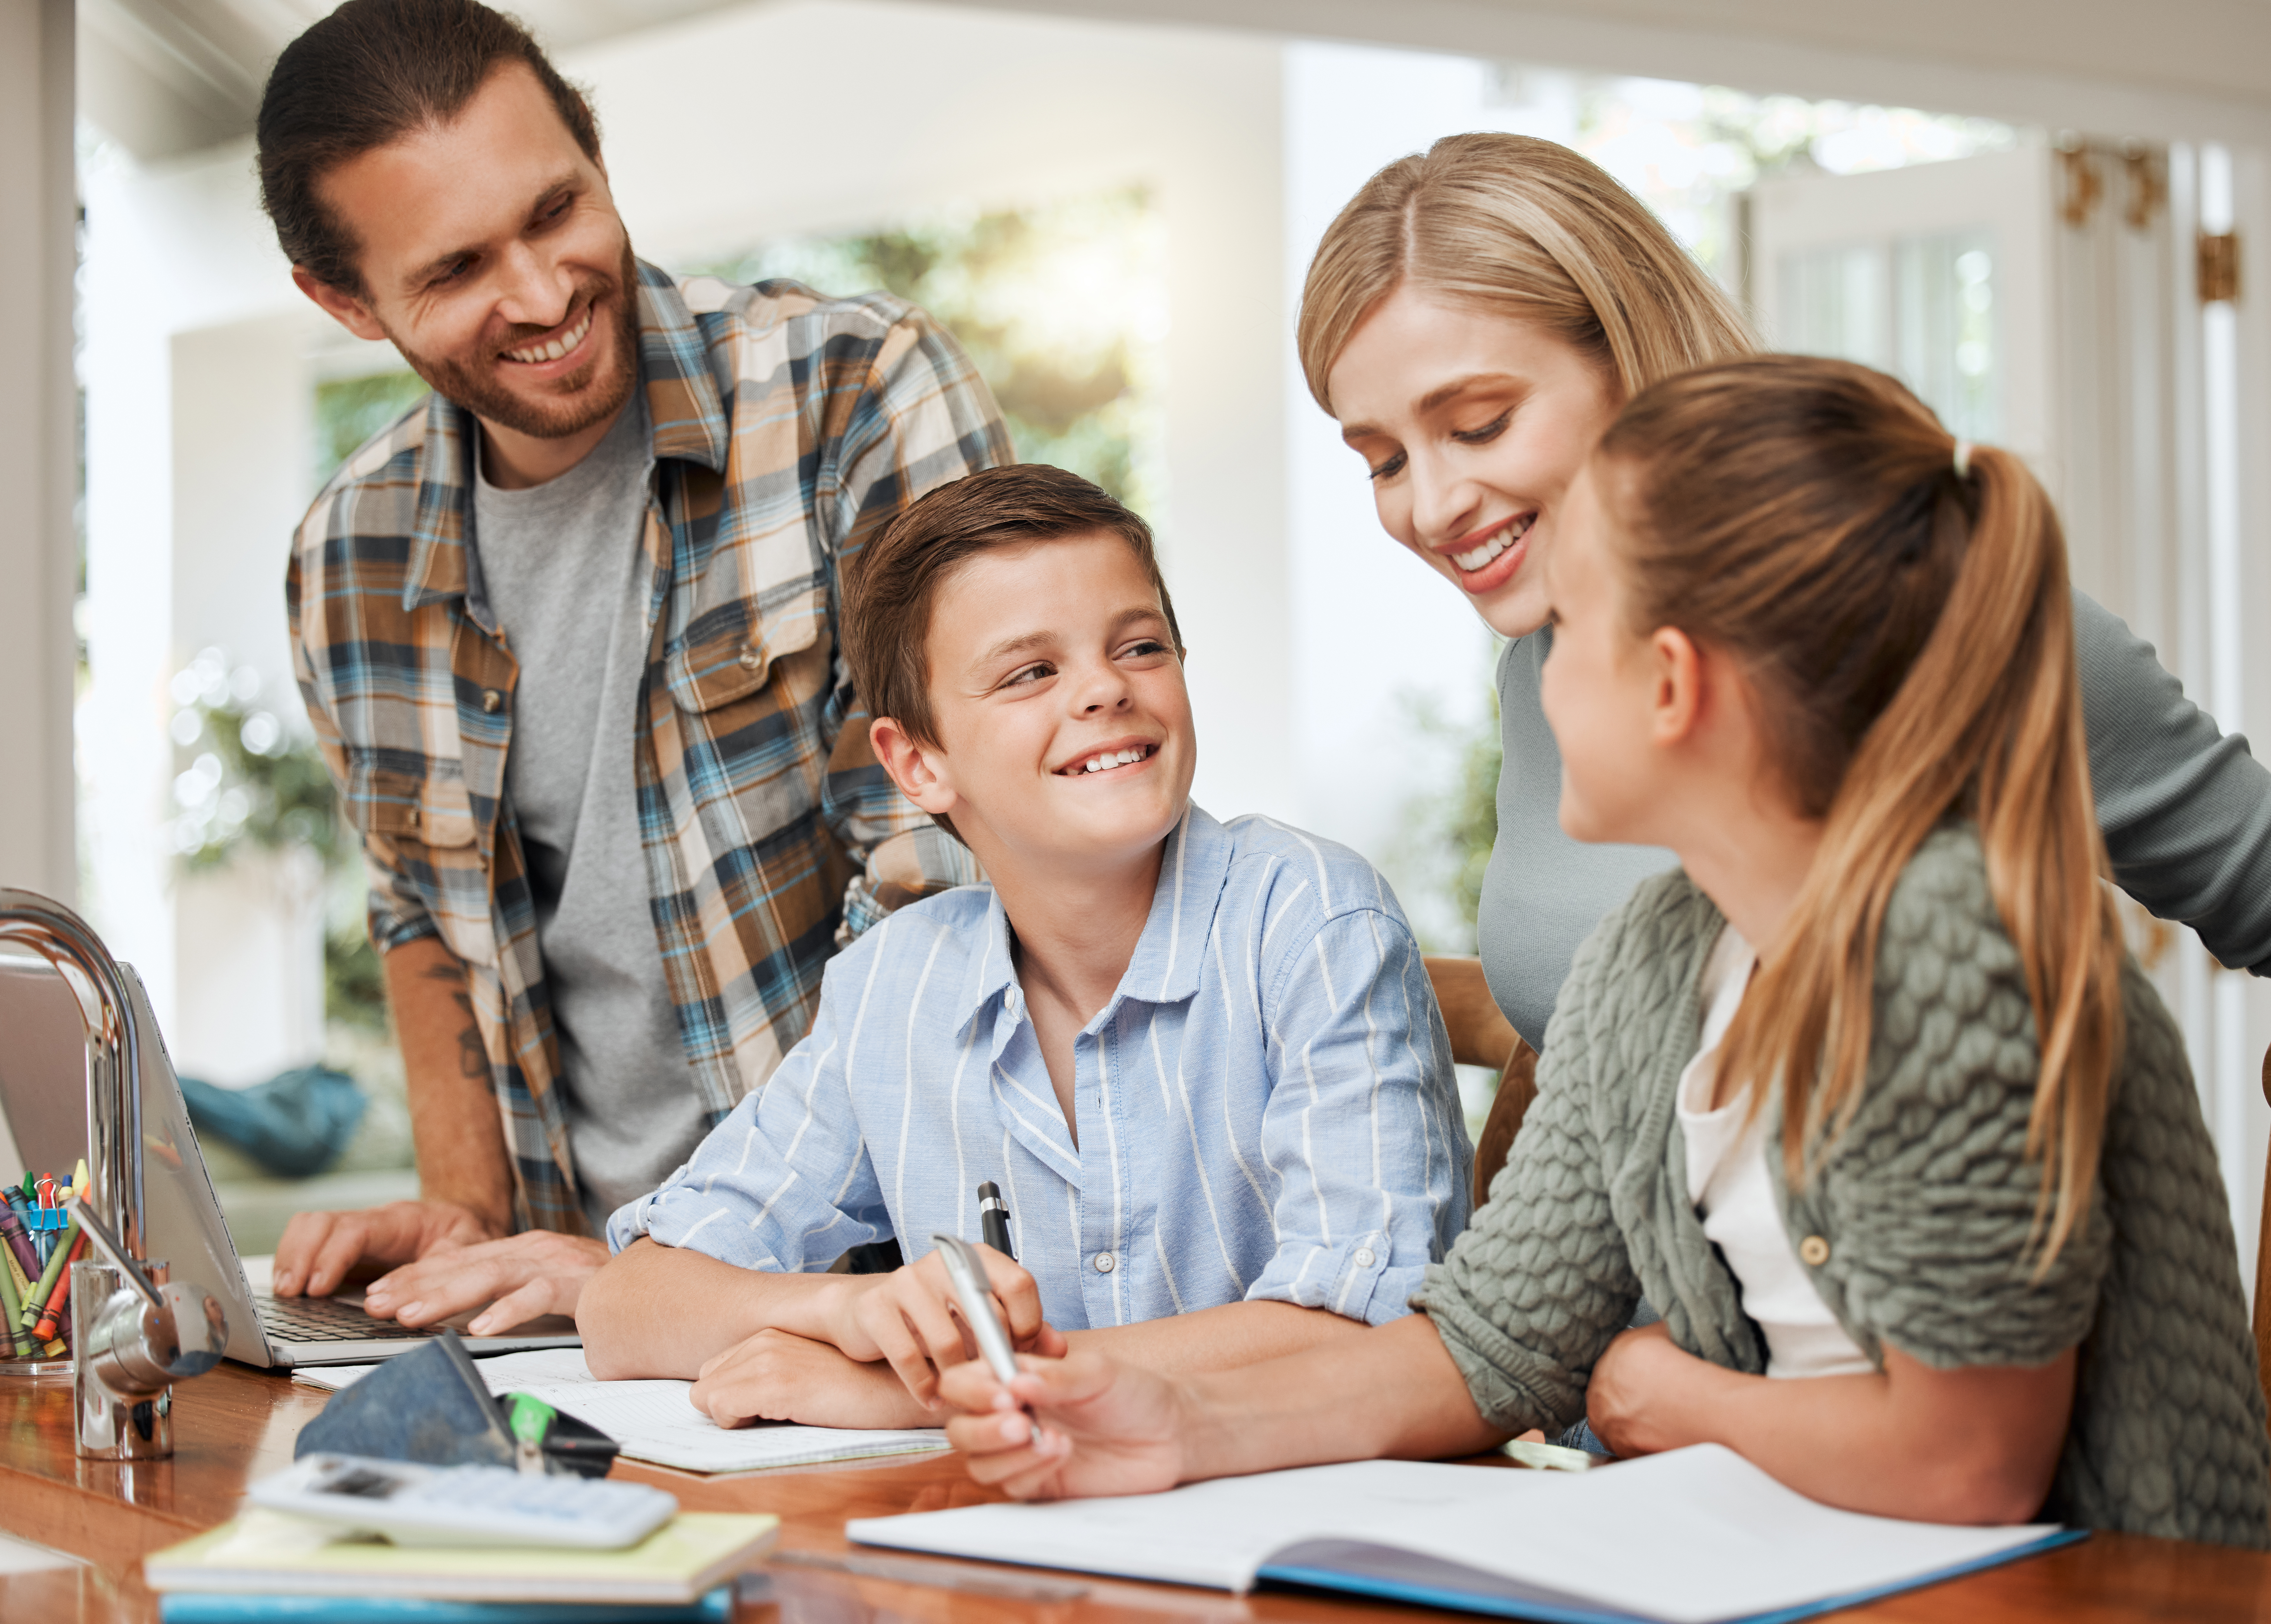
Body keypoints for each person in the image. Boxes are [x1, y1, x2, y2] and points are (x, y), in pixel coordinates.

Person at [938, 358, 2271, 1548]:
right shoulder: (1654, 959)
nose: (1530, 676)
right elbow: (1489, 1340)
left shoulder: (1938, 941)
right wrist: (1171, 1422)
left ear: (1674, 685)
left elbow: (1968, 1466)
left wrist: (1666, 1394)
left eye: (1568, 627)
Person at [261, 0, 1010, 1331]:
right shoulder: (350, 558)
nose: (544, 295)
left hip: (885, 1301)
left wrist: (677, 1275)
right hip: (572, 1319)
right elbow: (423, 925)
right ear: (343, 301)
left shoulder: (856, 397)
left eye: (558, 211)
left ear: (597, 152)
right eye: (455, 271)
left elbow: (944, 885)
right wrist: (470, 1233)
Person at [1300, 133, 2271, 1058]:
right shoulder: (1541, 672)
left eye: (1479, 425)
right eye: (1382, 461)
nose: (1429, 508)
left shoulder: (1933, 613)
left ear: (1627, 359)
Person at [575, 463, 1470, 1428]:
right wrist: (844, 1309)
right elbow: (623, 1308)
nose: (1102, 689)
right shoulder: (894, 987)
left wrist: (942, 1393)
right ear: (919, 764)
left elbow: (1368, 1326)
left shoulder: (1309, 918)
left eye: (1139, 647)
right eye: (1030, 672)